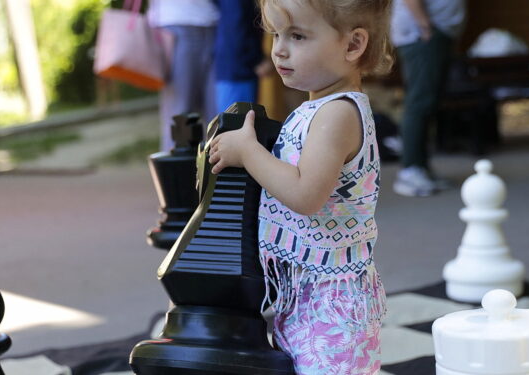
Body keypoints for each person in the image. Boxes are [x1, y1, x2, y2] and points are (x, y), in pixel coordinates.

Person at [208, 0, 390, 372]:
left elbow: (306, 194)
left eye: (298, 36)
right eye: (277, 34)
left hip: (332, 304)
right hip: (307, 293)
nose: (280, 49)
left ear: (353, 45)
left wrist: (248, 151)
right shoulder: (316, 110)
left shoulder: (338, 113)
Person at [389, 0, 466, 197]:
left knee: (428, 102)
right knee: (420, 103)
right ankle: (411, 171)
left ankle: (421, 168)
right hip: (422, 34)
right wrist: (425, 26)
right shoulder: (425, 31)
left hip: (429, 32)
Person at [147, 0, 219, 152]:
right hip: (175, 26)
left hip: (214, 24)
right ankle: (173, 174)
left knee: (217, 115)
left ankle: (214, 174)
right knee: (180, 117)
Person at [213, 0, 273, 114]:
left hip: (237, 66)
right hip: (238, 69)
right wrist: (256, 60)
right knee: (236, 124)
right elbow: (236, 27)